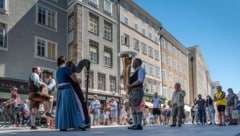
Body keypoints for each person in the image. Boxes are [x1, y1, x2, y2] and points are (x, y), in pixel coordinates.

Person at [55, 55, 86, 131]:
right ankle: (79, 124)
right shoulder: (67, 69)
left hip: (60, 90)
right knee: (75, 106)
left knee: (62, 108)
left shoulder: (57, 71)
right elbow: (75, 80)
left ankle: (63, 126)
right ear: (65, 61)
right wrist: (80, 80)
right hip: (67, 89)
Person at [127, 58, 146, 130]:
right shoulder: (135, 72)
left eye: (134, 62)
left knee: (137, 107)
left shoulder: (141, 70)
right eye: (133, 62)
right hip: (133, 90)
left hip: (137, 90)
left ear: (138, 63)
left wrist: (131, 85)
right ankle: (135, 124)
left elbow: (140, 81)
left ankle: (139, 125)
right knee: (133, 107)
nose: (133, 64)